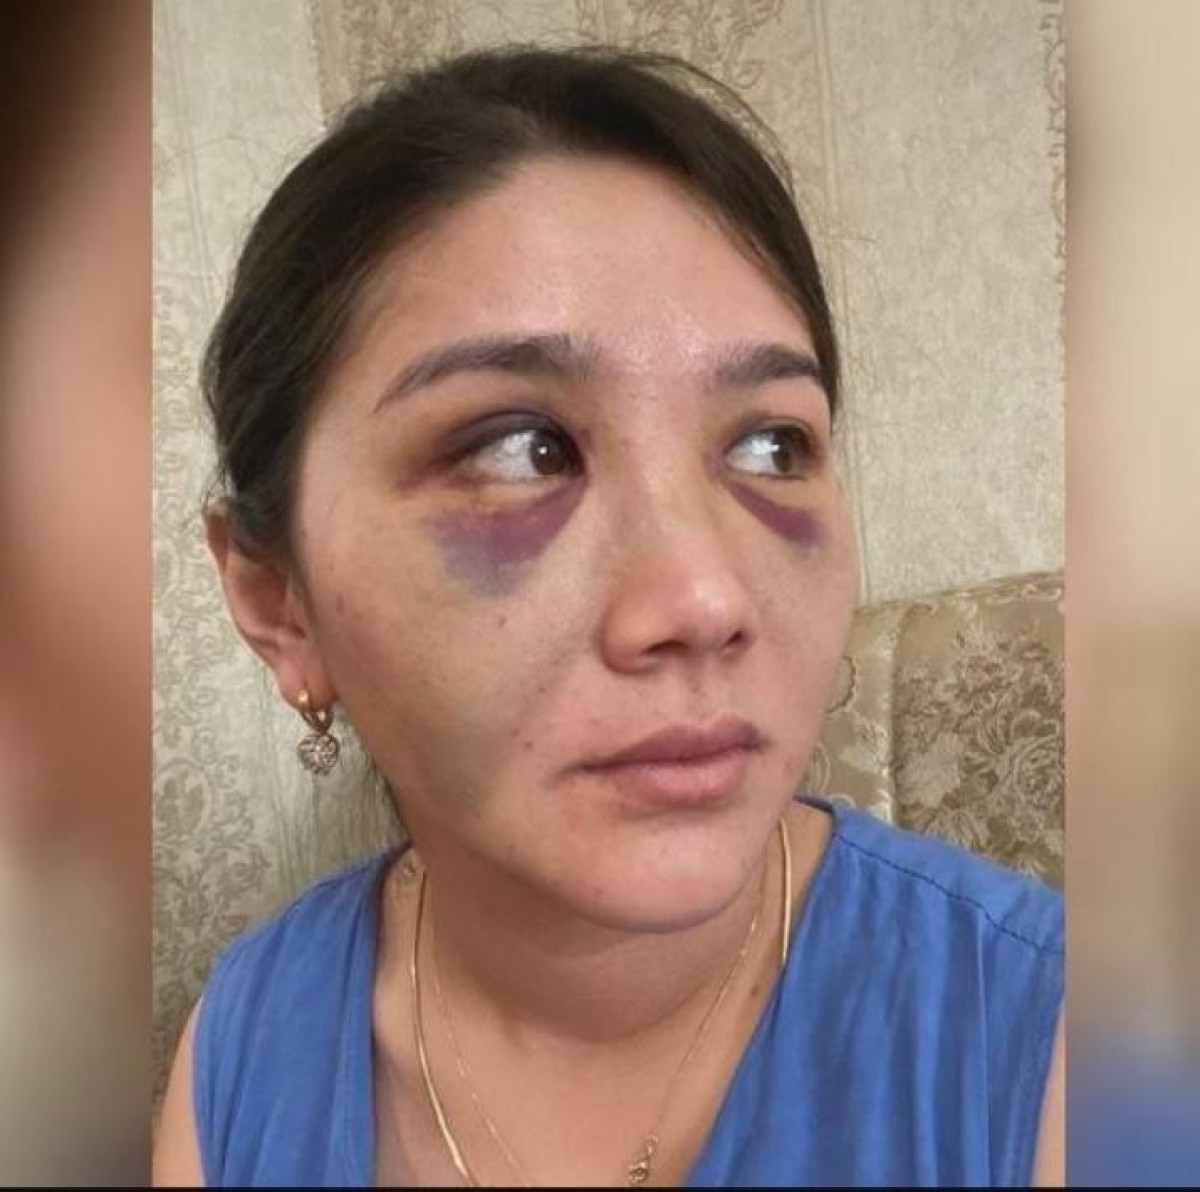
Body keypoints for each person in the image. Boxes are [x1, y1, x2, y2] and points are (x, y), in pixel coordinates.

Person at [152, 46, 1064, 1188]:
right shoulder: (242, 1057)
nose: (706, 600)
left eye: (770, 444)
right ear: (276, 602)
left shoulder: (1058, 1051)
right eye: (520, 450)